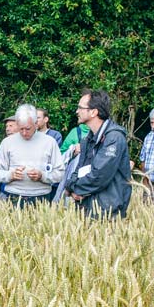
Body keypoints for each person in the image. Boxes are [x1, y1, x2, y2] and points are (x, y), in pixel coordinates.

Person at [64, 89, 132, 218]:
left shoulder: (113, 138)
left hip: (107, 211)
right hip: (88, 208)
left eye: (80, 108)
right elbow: (79, 169)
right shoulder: (89, 138)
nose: (77, 111)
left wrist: (73, 188)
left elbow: (99, 175)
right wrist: (71, 186)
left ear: (93, 112)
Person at [0, 104, 64, 207]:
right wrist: (10, 175)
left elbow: (60, 173)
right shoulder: (7, 143)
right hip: (13, 197)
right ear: (17, 124)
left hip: (42, 198)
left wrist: (42, 176)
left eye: (28, 129)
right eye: (21, 129)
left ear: (35, 123)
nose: (24, 133)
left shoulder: (50, 142)